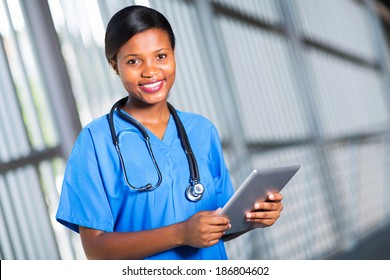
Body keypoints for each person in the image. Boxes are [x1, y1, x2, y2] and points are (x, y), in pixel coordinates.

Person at [56, 5, 283, 260]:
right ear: (114, 65)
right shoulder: (95, 142)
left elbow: (221, 224)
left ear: (173, 55)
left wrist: (254, 217)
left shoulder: (201, 131)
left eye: (161, 56)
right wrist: (180, 234)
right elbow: (96, 250)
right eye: (133, 61)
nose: (151, 70)